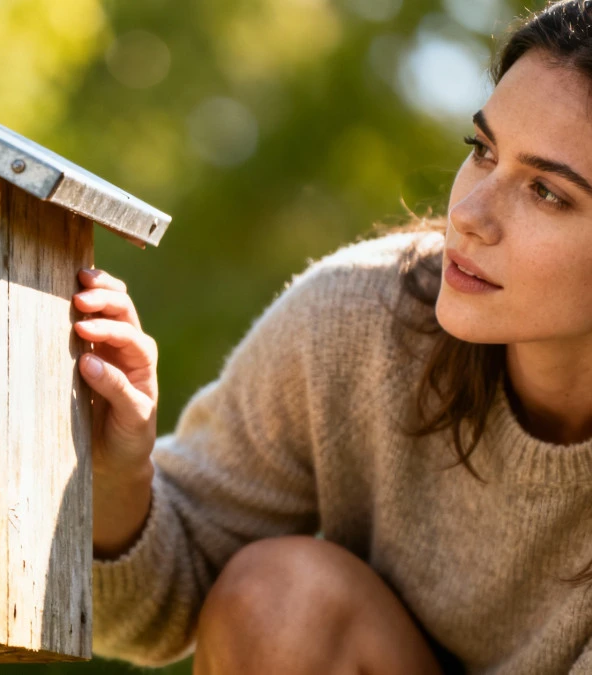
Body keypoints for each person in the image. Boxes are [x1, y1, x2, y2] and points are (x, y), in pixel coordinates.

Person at [75, 2, 592, 673]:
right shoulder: (361, 319)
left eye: (547, 192)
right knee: (280, 600)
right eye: (483, 151)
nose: (468, 215)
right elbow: (147, 612)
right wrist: (118, 473)